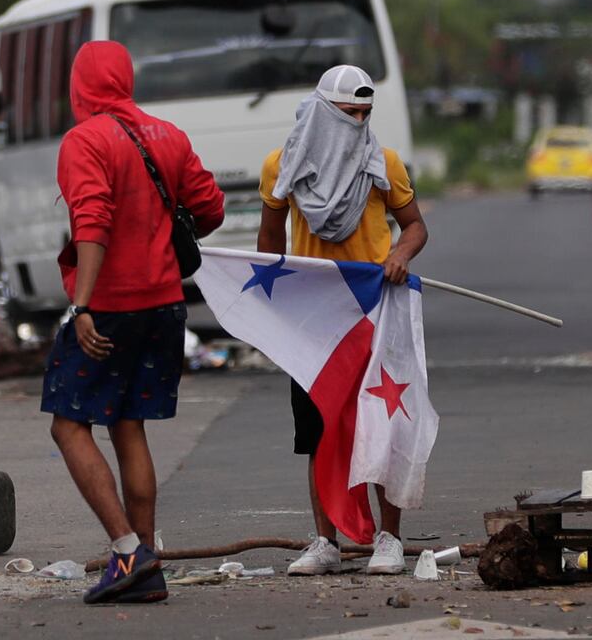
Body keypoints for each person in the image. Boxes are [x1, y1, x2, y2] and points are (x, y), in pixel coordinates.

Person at [44, 41, 225, 604]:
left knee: (69, 425)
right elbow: (211, 208)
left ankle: (127, 550)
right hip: (166, 304)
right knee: (128, 424)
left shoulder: (84, 140)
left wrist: (83, 306)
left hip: (112, 306)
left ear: (80, 85)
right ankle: (145, 559)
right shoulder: (168, 135)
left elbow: (91, 223)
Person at [256, 64, 428, 576]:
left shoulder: (384, 164)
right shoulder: (281, 166)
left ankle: (389, 539)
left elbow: (416, 226)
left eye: (365, 113)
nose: (358, 121)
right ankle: (325, 541)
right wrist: (272, 304)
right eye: (348, 112)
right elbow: (270, 242)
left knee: (381, 424)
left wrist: (401, 254)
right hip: (315, 319)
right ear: (324, 112)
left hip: (373, 314)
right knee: (319, 429)